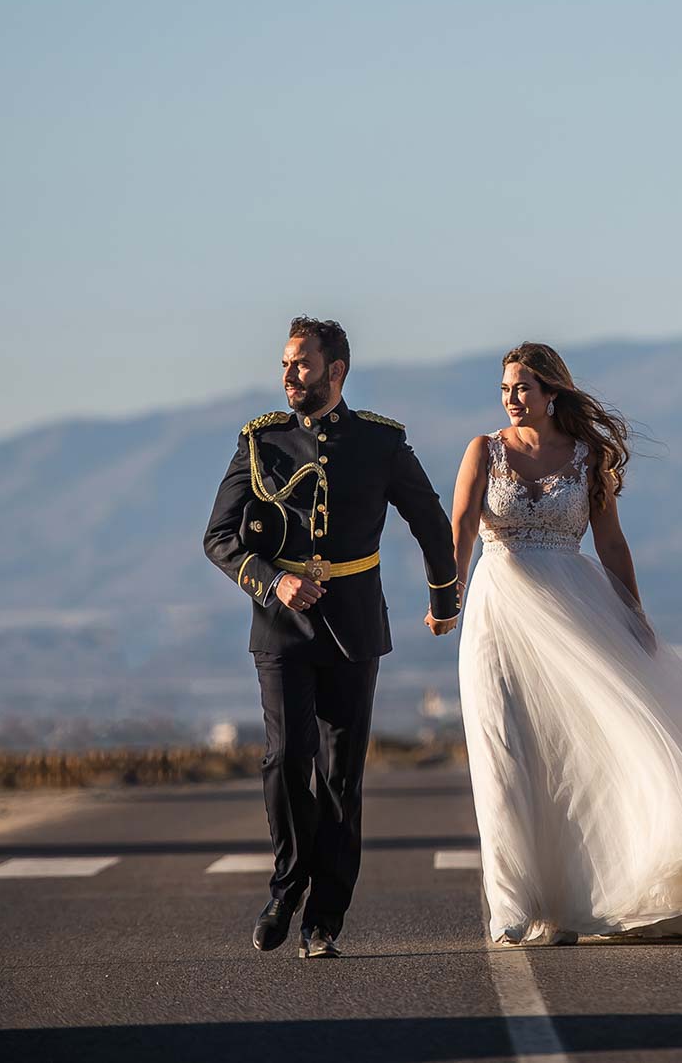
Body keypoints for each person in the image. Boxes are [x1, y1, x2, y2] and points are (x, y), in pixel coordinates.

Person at [447, 342, 682, 944]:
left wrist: (633, 614)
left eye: (524, 388)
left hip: (577, 609)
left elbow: (612, 542)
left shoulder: (586, 458)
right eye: (506, 389)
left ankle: (589, 891)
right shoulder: (483, 451)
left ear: (552, 393)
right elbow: (462, 525)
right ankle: (515, 903)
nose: (513, 399)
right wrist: (448, 595)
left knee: (596, 744)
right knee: (506, 751)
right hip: (499, 613)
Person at [204, 316, 460, 959]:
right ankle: (286, 887)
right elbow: (219, 537)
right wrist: (270, 581)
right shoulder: (259, 444)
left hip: (353, 625)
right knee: (286, 757)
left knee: (340, 777)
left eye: (301, 364)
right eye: (285, 364)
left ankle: (324, 919)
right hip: (281, 625)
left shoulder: (380, 443)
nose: (288, 375)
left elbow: (429, 519)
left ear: (335, 370)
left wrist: (442, 596)